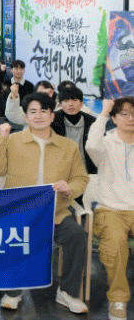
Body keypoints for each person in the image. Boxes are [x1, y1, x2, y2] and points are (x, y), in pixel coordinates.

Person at [0, 92, 89, 314]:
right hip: (19, 213)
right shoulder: (13, 141)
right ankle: (13, 292)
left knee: (77, 235)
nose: (39, 116)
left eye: (44, 111)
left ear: (52, 116)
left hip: (56, 213)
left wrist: (69, 188)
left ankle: (68, 292)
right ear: (26, 117)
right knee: (10, 235)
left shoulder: (68, 146)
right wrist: (0, 138)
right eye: (33, 111)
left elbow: (81, 178)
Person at [85, 97, 134, 320]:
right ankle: (118, 300)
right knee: (115, 244)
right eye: (124, 114)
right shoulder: (105, 143)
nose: (130, 118)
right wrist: (103, 112)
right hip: (110, 209)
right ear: (114, 118)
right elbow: (91, 145)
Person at [51, 86, 97, 174]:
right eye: (66, 101)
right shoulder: (52, 121)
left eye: (74, 100)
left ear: (82, 103)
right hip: (59, 171)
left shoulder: (92, 122)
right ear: (60, 105)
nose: (71, 104)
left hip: (87, 171)